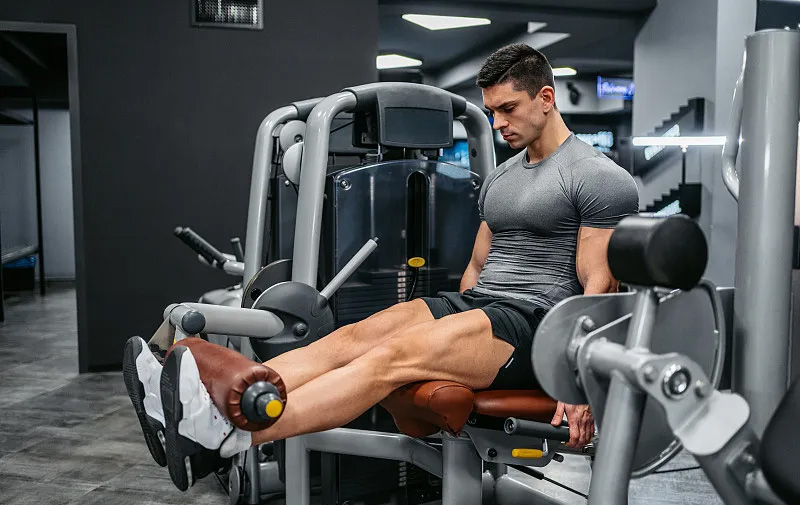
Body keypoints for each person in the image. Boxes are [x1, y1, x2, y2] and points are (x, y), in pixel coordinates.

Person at [123, 43, 640, 491]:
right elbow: (477, 266)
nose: (498, 123)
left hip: (536, 326)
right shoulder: (504, 177)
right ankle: (204, 405)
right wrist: (457, 325)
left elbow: (598, 289)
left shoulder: (596, 176)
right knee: (353, 337)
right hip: (482, 305)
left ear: (546, 98)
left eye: (508, 109)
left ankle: (233, 433)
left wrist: (578, 384)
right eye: (491, 112)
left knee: (390, 357)